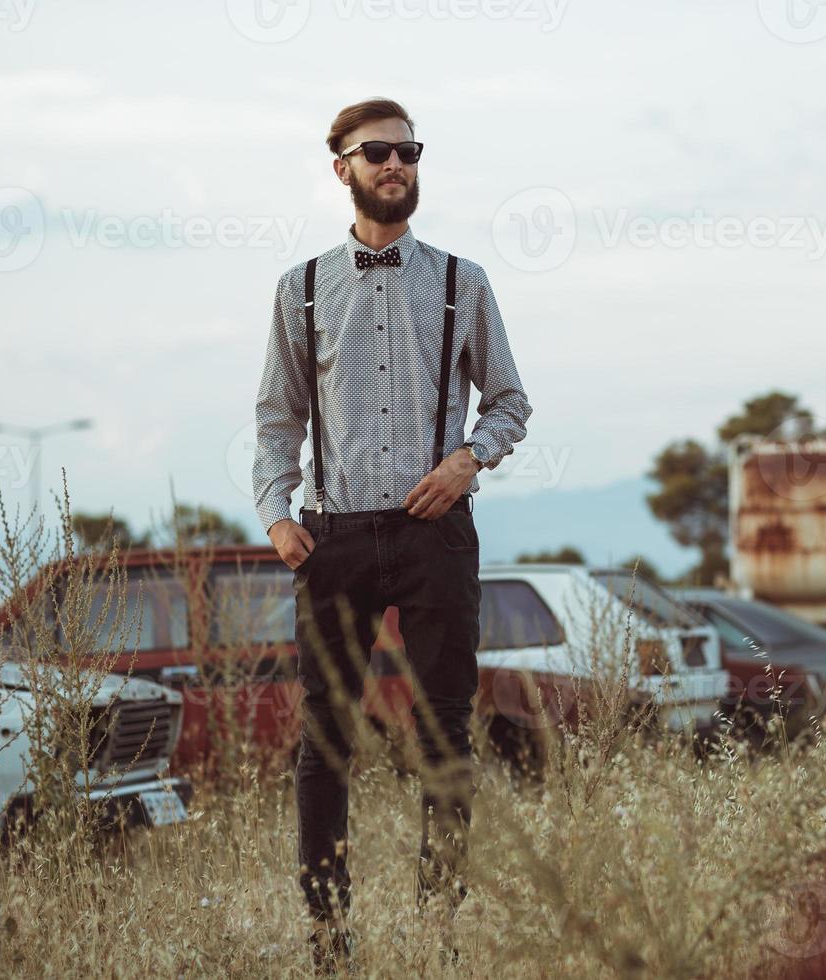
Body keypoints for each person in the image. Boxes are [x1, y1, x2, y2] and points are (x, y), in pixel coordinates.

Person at [250, 97, 532, 969]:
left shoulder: (462, 282)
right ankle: (329, 938)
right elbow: (276, 416)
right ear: (342, 167)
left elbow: (510, 402)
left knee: (445, 729)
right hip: (333, 538)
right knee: (325, 738)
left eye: (408, 151)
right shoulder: (300, 288)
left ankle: (438, 930)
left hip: (434, 537)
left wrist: (467, 463)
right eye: (377, 153)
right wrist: (275, 512)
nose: (396, 165)